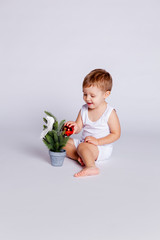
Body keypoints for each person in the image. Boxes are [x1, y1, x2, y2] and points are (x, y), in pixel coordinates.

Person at [63, 69, 121, 177]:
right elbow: (79, 127)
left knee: (82, 147)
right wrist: (74, 127)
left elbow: (116, 134)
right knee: (61, 142)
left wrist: (98, 141)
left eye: (92, 96)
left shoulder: (109, 113)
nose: (87, 99)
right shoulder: (84, 110)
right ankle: (81, 157)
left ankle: (91, 166)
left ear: (106, 94)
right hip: (83, 143)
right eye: (85, 94)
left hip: (100, 148)